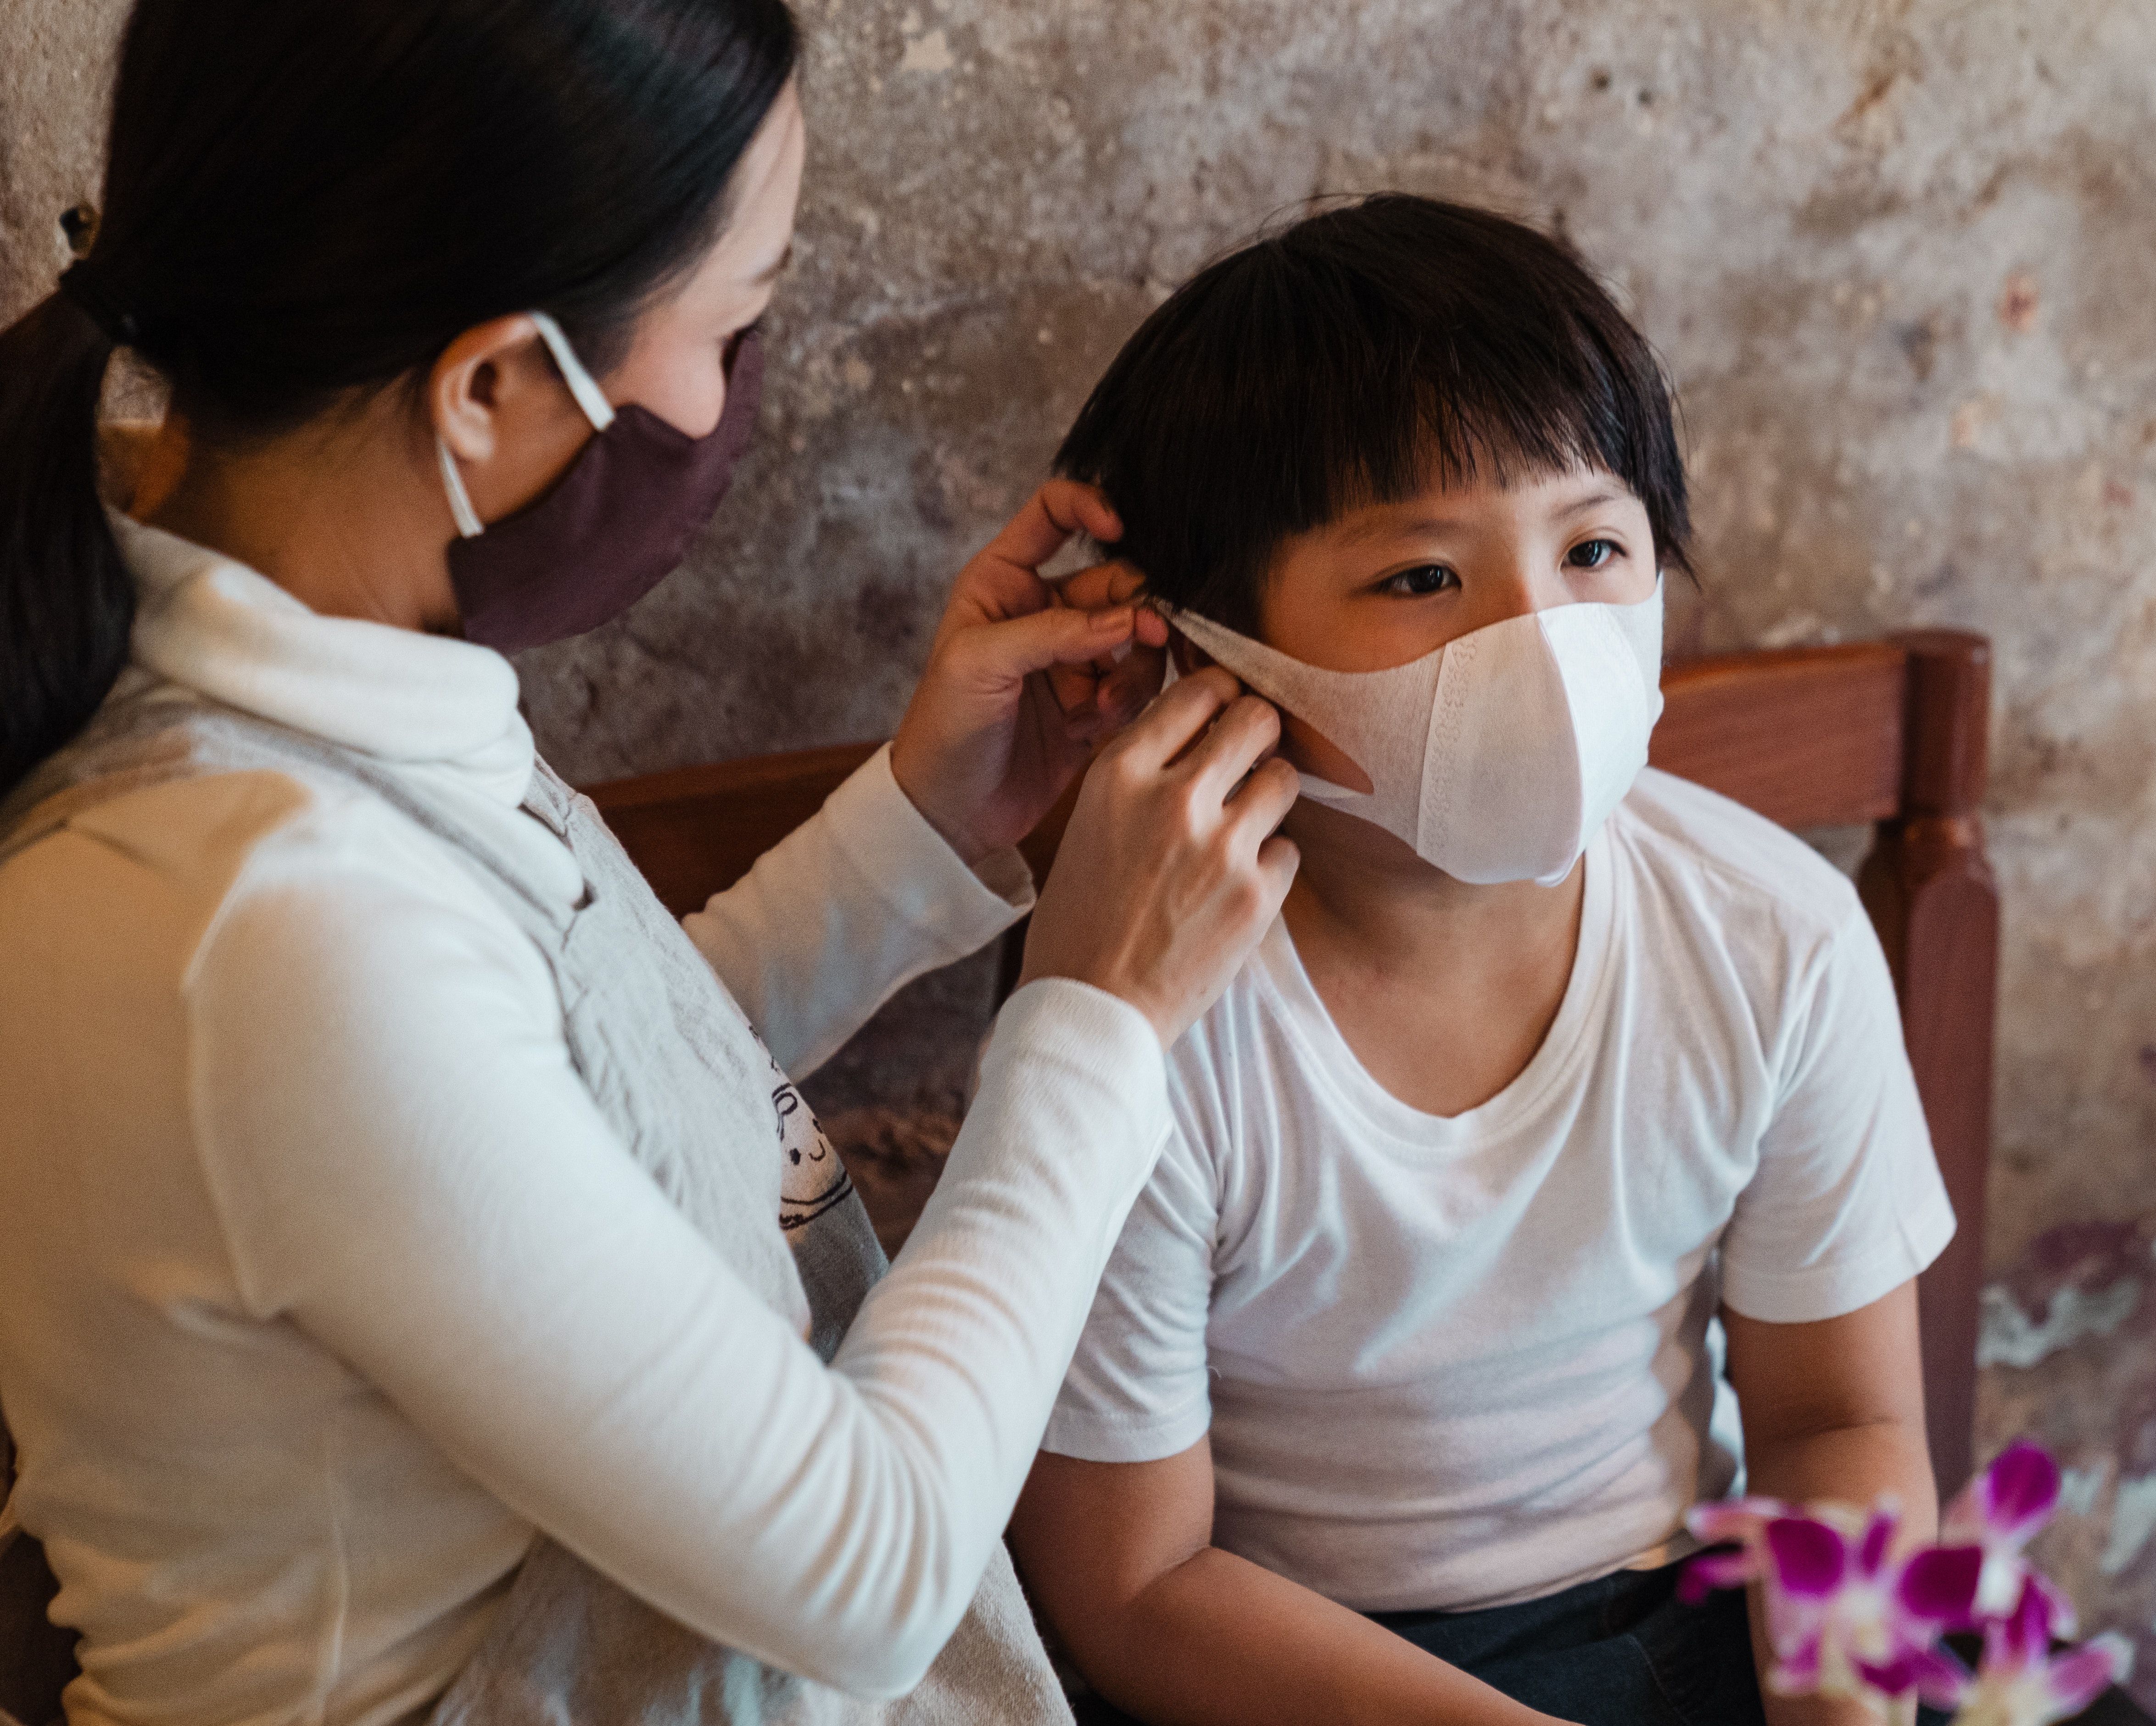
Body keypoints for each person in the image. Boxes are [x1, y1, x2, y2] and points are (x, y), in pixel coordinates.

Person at [0, 3, 1301, 1723]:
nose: (733, 395)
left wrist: (922, 824)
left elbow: (559, 1116)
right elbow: (870, 1571)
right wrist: (1095, 1016)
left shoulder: (325, 678)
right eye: (735, 321)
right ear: (492, 389)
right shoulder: (248, 920)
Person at [1008, 195, 1958, 1726]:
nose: (1542, 636)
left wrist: (1844, 1710)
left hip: (1696, 1615)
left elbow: (1837, 1423)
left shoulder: (1769, 935)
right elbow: (1129, 1584)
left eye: (1592, 547)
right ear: (1202, 648)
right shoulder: (1143, 1011)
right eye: (1420, 577)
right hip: (1287, 1671)